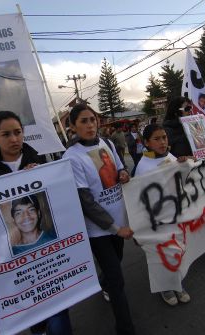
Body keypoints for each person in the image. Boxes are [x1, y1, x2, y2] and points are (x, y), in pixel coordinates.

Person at [0, 111, 72, 335]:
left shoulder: (40, 161)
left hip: (49, 257)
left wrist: (38, 177)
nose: (14, 139)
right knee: (35, 313)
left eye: (18, 132)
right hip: (14, 262)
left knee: (59, 311)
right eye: (6, 134)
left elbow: (61, 205)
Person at [63, 103, 135, 335]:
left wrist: (123, 173)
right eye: (83, 121)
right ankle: (125, 328)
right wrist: (114, 228)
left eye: (92, 120)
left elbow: (121, 169)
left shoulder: (108, 143)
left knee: (116, 262)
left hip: (120, 222)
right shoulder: (71, 157)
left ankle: (103, 283)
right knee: (117, 280)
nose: (90, 125)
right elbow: (86, 201)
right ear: (73, 126)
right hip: (99, 230)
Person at [133, 123, 192, 306]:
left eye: (164, 137)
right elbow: (138, 199)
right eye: (157, 139)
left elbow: (182, 181)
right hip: (155, 221)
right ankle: (164, 288)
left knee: (175, 250)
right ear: (147, 143)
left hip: (174, 216)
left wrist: (185, 165)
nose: (162, 142)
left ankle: (177, 283)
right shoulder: (142, 166)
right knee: (159, 255)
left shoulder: (171, 157)